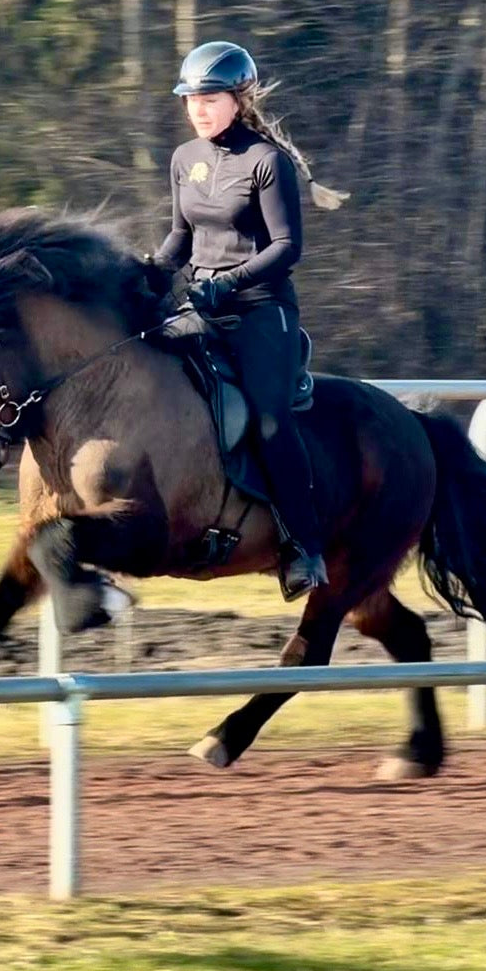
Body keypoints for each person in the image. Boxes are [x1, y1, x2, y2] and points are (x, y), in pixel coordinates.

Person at [151, 40, 345, 601]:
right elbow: (181, 236)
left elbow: (286, 247)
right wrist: (149, 272)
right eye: (192, 100)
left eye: (210, 99)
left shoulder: (267, 162)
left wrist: (228, 282)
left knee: (268, 422)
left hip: (261, 310)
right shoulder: (184, 159)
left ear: (239, 100)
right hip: (202, 307)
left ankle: (303, 547)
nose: (199, 109)